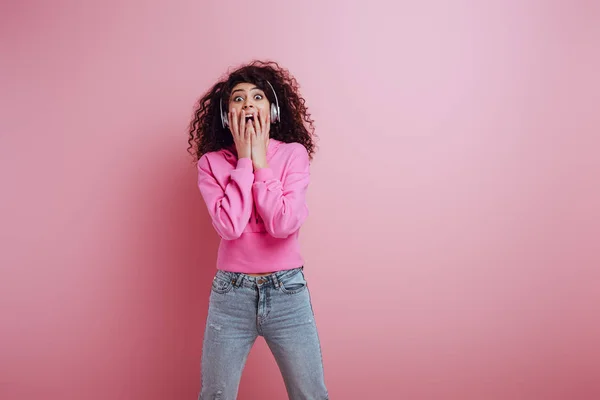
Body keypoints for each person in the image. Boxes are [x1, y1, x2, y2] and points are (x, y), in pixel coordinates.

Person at [187, 60, 328, 400]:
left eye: (258, 96)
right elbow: (230, 226)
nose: (248, 103)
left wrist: (262, 161)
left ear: (273, 109)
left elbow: (283, 224)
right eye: (237, 98)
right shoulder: (212, 163)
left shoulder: (293, 156)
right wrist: (245, 162)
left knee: (311, 395)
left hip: (288, 293)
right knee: (215, 396)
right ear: (225, 115)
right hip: (231, 296)